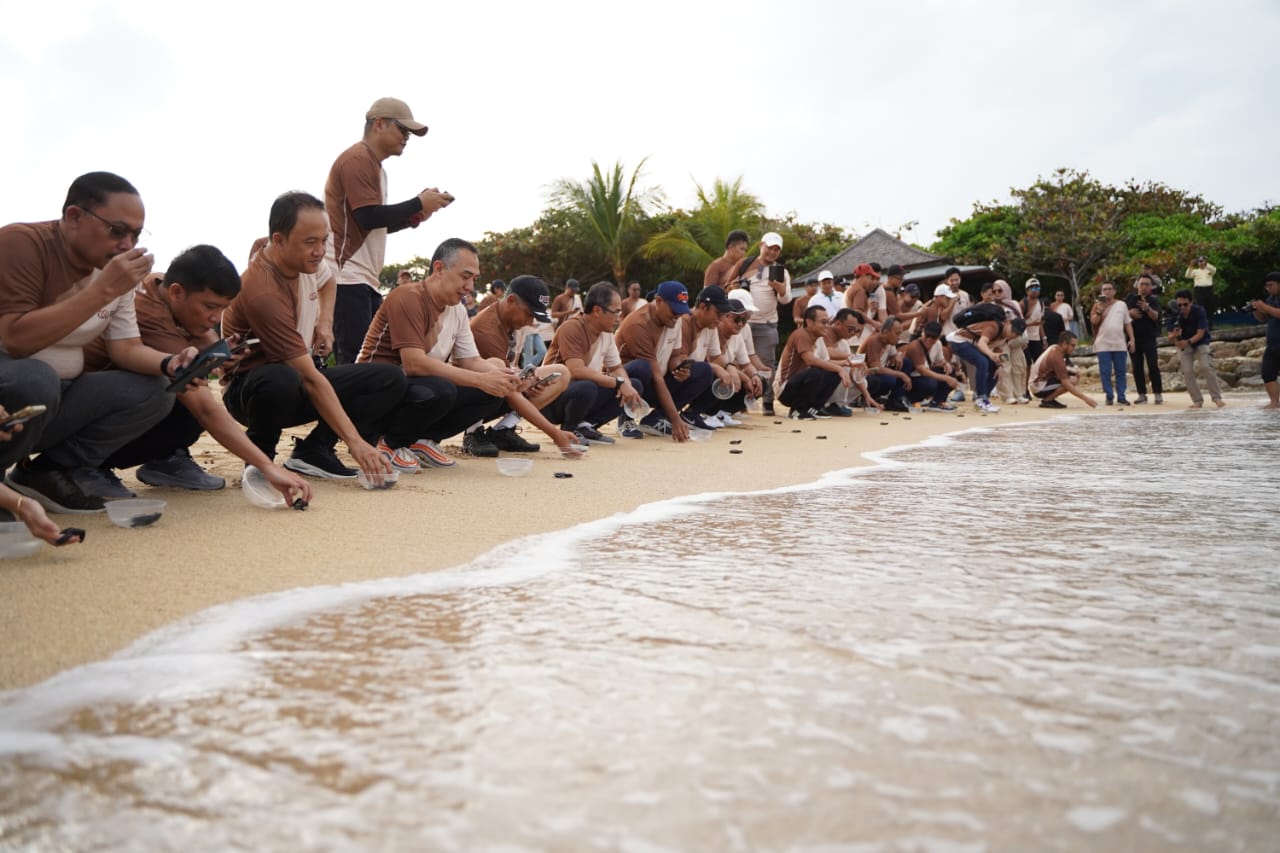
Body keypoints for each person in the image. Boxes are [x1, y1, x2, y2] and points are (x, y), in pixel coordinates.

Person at [0, 171, 196, 513]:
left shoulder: (114, 271)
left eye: (136, 235)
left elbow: (126, 348)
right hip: (14, 392)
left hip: (53, 401)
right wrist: (103, 289)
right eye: (117, 231)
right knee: (36, 377)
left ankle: (44, 472)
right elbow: (16, 339)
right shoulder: (23, 243)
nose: (127, 245)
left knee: (157, 389)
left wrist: (169, 363)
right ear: (74, 217)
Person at [85, 245, 312, 503]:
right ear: (177, 292)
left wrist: (217, 351)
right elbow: (205, 408)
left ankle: (166, 459)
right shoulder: (149, 314)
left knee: (185, 383)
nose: (214, 318)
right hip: (81, 410)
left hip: (96, 398)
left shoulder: (159, 284)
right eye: (210, 307)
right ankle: (81, 467)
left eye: (222, 309)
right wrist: (267, 467)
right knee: (182, 391)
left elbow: (203, 333)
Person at [221, 191, 404, 484]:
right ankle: (260, 459)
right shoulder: (263, 291)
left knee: (390, 378)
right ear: (278, 240)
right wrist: (356, 443)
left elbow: (329, 280)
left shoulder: (305, 260)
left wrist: (325, 322)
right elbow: (308, 377)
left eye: (324, 240)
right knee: (281, 378)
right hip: (250, 391)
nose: (320, 251)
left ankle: (314, 451)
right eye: (310, 242)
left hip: (298, 378)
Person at [356, 237, 520, 463]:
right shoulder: (409, 296)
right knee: (443, 389)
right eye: (465, 276)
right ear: (439, 269)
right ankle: (389, 443)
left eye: (474, 279)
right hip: (376, 394)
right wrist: (481, 379)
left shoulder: (458, 310)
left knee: (491, 390)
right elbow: (414, 363)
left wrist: (507, 377)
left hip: (413, 389)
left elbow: (471, 360)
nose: (471, 287)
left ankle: (421, 440)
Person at [325, 97, 453, 364]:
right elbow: (368, 216)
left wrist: (416, 215)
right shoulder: (357, 159)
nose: (406, 137)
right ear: (379, 124)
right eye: (402, 130)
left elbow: (373, 225)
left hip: (362, 277)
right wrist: (418, 202)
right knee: (357, 362)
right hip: (346, 275)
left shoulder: (374, 166)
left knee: (370, 361)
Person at [466, 274, 579, 454]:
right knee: (498, 369)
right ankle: (472, 432)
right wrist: (555, 433)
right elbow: (503, 382)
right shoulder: (486, 330)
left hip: (501, 384)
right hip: (469, 398)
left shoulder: (513, 322)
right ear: (511, 300)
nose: (530, 321)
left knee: (562, 373)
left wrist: (526, 378)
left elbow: (509, 370)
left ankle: (503, 430)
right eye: (529, 314)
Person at [543, 282, 645, 443]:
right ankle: (570, 429)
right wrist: (618, 383)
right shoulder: (572, 328)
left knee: (634, 385)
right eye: (616, 312)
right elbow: (576, 371)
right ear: (597, 310)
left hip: (580, 393)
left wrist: (626, 384)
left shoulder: (606, 333)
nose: (619, 317)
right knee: (587, 386)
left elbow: (616, 367)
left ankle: (586, 426)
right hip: (551, 398)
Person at [615, 281, 711, 441]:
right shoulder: (638, 324)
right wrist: (675, 419)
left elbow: (674, 356)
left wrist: (679, 369)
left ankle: (656, 419)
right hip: (629, 385)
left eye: (681, 311)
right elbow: (655, 373)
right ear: (658, 301)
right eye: (674, 310)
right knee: (642, 367)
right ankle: (626, 419)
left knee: (704, 371)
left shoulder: (675, 320)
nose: (677, 316)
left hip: (656, 380)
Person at [738, 232, 791, 416]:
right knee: (738, 361)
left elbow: (785, 301)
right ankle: (739, 403)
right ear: (761, 245)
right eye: (770, 247)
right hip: (742, 321)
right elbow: (729, 286)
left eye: (777, 249)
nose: (773, 252)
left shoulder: (781, 271)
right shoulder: (746, 265)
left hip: (767, 323)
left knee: (767, 363)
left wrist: (781, 289)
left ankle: (767, 402)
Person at [775, 305, 849, 420]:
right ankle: (797, 410)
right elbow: (810, 360)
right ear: (809, 322)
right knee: (816, 372)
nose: (827, 326)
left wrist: (845, 363)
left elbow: (826, 362)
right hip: (785, 389)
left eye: (828, 322)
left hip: (801, 384)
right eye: (823, 322)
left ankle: (814, 408)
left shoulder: (819, 338)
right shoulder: (801, 334)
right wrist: (839, 368)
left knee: (833, 374)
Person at [679, 285, 737, 429]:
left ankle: (691, 415)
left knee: (726, 376)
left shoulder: (710, 326)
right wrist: (715, 368)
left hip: (692, 373)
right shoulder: (685, 322)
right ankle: (662, 415)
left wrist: (731, 368)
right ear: (703, 307)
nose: (721, 319)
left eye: (724, 315)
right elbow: (679, 362)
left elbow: (716, 357)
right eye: (718, 313)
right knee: (707, 370)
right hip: (677, 374)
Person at [945, 308, 1011, 413]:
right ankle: (980, 399)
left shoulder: (1006, 336)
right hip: (958, 340)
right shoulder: (993, 327)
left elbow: (1001, 354)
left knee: (995, 369)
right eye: (1013, 331)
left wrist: (1000, 366)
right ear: (1007, 323)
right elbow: (981, 344)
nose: (1013, 335)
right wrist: (991, 354)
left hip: (971, 344)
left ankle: (983, 398)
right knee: (982, 362)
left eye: (1016, 335)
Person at [1169, 289, 1225, 409]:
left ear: (1191, 302)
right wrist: (1175, 335)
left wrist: (1187, 342)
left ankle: (1217, 398)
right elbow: (1169, 337)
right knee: (1187, 371)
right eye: (1180, 305)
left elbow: (1201, 333)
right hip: (1184, 344)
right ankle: (1197, 400)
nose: (1182, 307)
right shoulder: (1174, 314)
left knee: (1206, 366)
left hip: (1200, 342)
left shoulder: (1199, 311)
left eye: (1185, 304)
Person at [1089, 282, 1136, 406]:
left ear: (1114, 291)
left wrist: (1132, 339)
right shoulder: (1097, 306)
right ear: (1101, 292)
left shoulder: (1121, 305)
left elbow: (1127, 323)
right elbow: (1094, 322)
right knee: (1105, 371)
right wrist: (1099, 311)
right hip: (1103, 343)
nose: (1107, 292)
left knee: (1121, 371)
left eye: (1109, 289)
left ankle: (1121, 396)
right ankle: (1109, 396)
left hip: (1119, 343)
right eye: (1104, 289)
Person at [899, 321, 960, 411]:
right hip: (912, 379)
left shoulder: (938, 344)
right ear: (923, 332)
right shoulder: (915, 346)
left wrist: (946, 364)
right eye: (927, 336)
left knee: (950, 371)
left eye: (933, 337)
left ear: (938, 337)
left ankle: (938, 402)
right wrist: (946, 378)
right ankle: (910, 399)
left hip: (924, 376)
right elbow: (922, 370)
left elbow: (939, 360)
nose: (929, 339)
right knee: (930, 383)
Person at [1029, 332, 1098, 409]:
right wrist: (1086, 399)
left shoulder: (1055, 348)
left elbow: (1060, 368)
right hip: (1038, 387)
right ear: (1065, 344)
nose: (1074, 348)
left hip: (1040, 382)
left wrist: (1072, 370)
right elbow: (1066, 383)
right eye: (1072, 345)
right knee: (1072, 380)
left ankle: (1049, 399)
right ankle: (1048, 400)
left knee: (1073, 376)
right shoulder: (1056, 357)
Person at [857, 316, 912, 412]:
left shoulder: (889, 342)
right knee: (889, 379)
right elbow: (876, 368)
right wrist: (901, 374)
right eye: (897, 333)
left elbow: (895, 355)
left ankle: (894, 400)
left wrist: (897, 355)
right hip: (865, 376)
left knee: (906, 363)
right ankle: (864, 398)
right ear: (886, 331)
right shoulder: (874, 340)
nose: (899, 337)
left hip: (876, 374)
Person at [1126, 273, 1164, 404]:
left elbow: (1156, 316)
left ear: (1151, 286)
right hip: (1133, 338)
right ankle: (1141, 394)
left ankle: (1158, 393)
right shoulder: (1130, 298)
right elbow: (1122, 314)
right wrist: (1129, 313)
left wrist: (1147, 308)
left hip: (1149, 337)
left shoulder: (1153, 300)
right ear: (1137, 285)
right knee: (1137, 367)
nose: (1143, 287)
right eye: (1141, 284)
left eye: (1147, 284)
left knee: (1153, 365)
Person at [992, 280, 1028, 404]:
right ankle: (1007, 395)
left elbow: (1021, 320)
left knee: (1019, 366)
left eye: (1000, 290)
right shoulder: (993, 306)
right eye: (994, 291)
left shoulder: (1014, 304)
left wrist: (1024, 337)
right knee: (1005, 367)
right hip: (1002, 340)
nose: (997, 293)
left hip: (1017, 340)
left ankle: (1019, 393)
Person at [1248, 271, 1280, 409]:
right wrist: (1256, 310)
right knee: (1267, 373)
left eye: (1271, 285)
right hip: (1273, 343)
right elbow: (1263, 318)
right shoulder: (1271, 299)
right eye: (1267, 286)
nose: (1269, 288)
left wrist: (1265, 307)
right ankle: (1274, 403)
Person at [1184, 256, 1218, 328]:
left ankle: (1210, 325)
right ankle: (1202, 325)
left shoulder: (1209, 270)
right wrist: (1191, 266)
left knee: (1210, 307)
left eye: (1202, 261)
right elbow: (1187, 275)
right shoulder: (1195, 271)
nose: (1201, 263)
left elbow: (1214, 270)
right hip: (1199, 290)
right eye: (1199, 261)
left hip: (1208, 289)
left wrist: (1206, 264)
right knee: (1200, 307)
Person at [1021, 278, 1046, 366]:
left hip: (1036, 338)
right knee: (1027, 363)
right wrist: (1031, 324)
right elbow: (1018, 324)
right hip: (1025, 339)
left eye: (1037, 288)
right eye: (1033, 288)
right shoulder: (1023, 304)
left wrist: (1044, 338)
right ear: (1027, 290)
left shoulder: (1041, 304)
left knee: (1039, 362)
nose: (1035, 291)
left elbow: (1040, 324)